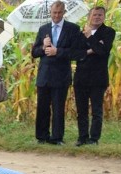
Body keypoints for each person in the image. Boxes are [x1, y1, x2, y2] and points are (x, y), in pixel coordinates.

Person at [31, 1, 86, 145]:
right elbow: (34, 52)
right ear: (50, 12)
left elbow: (77, 53)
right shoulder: (43, 29)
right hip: (44, 74)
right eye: (54, 13)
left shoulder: (73, 29)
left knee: (58, 108)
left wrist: (58, 51)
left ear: (64, 12)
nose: (56, 15)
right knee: (42, 107)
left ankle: (57, 137)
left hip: (61, 75)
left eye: (59, 13)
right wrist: (43, 47)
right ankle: (42, 136)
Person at [73, 7, 115, 147]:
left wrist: (90, 38)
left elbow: (103, 51)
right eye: (95, 14)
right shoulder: (80, 34)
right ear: (89, 16)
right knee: (81, 110)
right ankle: (82, 137)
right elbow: (75, 54)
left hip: (98, 77)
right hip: (81, 77)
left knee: (96, 111)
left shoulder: (108, 32)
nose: (97, 17)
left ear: (104, 17)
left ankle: (94, 138)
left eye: (100, 15)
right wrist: (93, 48)